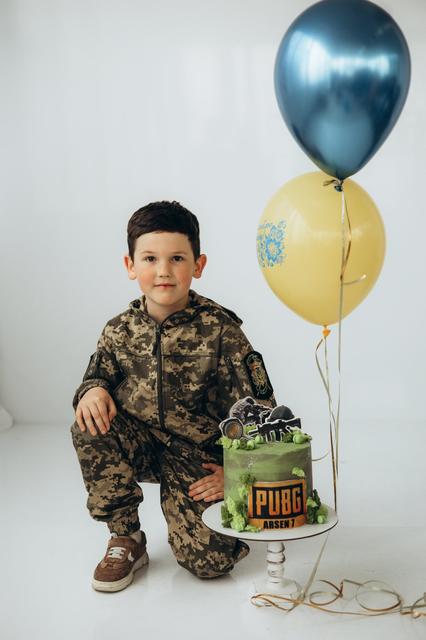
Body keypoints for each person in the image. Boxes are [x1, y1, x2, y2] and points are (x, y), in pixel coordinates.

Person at [71, 200, 276, 592]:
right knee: (89, 421)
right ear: (130, 265)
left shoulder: (221, 331)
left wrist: (240, 475)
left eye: (177, 258)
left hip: (198, 455)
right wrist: (92, 390)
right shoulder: (119, 330)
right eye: (150, 258)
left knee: (210, 564)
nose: (163, 270)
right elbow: (97, 375)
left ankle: (222, 515)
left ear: (198, 265)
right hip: (142, 443)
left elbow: (259, 413)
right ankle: (126, 537)